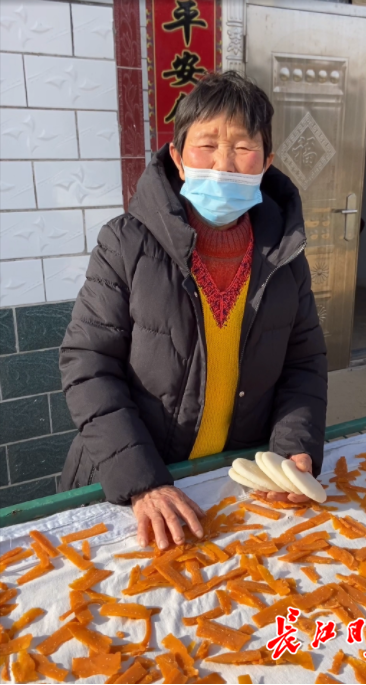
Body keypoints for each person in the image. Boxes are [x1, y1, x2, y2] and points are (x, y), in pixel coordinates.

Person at [59, 71, 328, 550]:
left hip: (230, 483)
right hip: (130, 486)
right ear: (179, 159)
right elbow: (87, 364)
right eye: (207, 146)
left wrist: (294, 449)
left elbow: (303, 364)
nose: (224, 164)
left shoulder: (286, 256)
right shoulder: (126, 242)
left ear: (266, 162)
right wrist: (142, 482)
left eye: (242, 147)